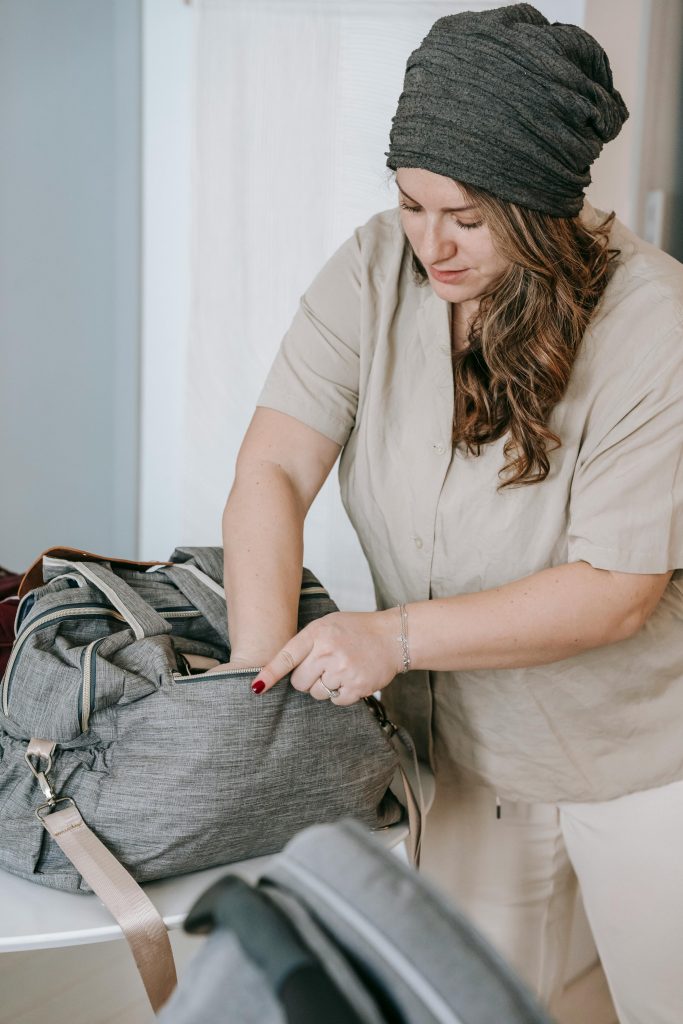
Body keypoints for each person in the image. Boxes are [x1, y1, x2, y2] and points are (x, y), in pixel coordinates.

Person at [217, 5, 683, 1022]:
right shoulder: (372, 267)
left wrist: (393, 636)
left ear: (540, 206)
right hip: (463, 757)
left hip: (645, 760)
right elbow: (273, 469)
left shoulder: (655, 323)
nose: (430, 244)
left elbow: (615, 594)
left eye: (465, 218)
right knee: (464, 1006)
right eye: (408, 203)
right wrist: (260, 699)